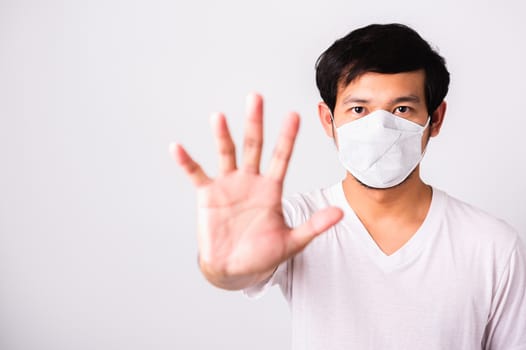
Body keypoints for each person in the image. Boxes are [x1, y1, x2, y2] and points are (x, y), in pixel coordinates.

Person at [171, 23, 526, 349]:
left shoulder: (491, 246)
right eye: (358, 110)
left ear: (435, 119)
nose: (379, 127)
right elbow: (236, 272)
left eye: (402, 109)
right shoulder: (295, 223)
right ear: (329, 120)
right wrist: (222, 268)